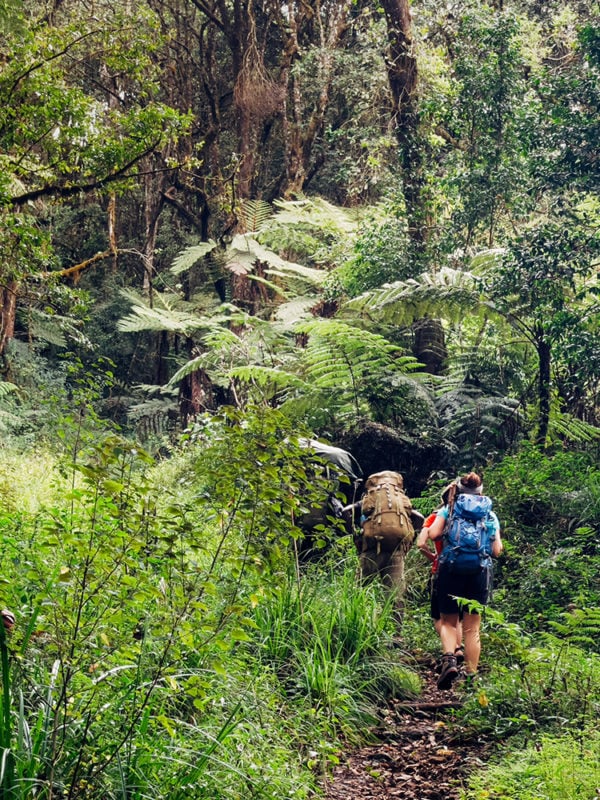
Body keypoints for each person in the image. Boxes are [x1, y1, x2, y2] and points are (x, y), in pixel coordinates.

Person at [422, 472, 503, 689]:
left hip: (450, 569)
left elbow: (433, 534)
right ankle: (471, 676)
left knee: (448, 621)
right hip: (479, 572)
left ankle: (449, 659)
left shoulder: (449, 509)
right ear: (480, 491)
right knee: (472, 628)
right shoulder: (490, 515)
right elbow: (497, 551)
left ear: (459, 489)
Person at [416, 507, 463, 664]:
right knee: (458, 617)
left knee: (438, 616)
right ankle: (459, 649)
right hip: (467, 572)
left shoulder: (435, 517)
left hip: (441, 572)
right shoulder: (467, 515)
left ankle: (454, 648)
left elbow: (421, 543)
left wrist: (433, 558)